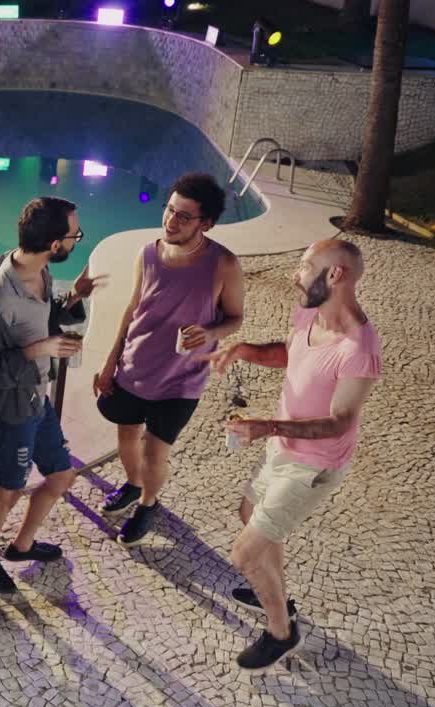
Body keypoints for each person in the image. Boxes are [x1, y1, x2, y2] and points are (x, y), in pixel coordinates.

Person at [199, 238, 380, 673]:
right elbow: (292, 352)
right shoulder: (310, 310)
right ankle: (276, 592)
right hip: (282, 447)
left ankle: (282, 633)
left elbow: (340, 421)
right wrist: (245, 350)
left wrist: (267, 427)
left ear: (335, 275)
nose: (296, 275)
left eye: (305, 266)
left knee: (245, 555)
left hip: (313, 465)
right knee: (250, 514)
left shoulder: (358, 350)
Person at [0, 197, 105, 594]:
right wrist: (37, 351)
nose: (77, 241)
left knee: (61, 475)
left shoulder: (36, 269)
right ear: (55, 244)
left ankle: (21, 546)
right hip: (11, 408)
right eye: (74, 236)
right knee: (8, 491)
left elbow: (41, 318)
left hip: (36, 399)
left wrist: (73, 298)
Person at [93, 172, 244, 547]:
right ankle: (132, 484)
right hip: (135, 366)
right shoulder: (148, 252)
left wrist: (210, 333)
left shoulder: (224, 264)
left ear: (205, 223)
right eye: (169, 211)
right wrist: (110, 360)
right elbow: (132, 309)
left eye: (183, 216)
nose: (170, 221)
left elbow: (235, 317)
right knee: (126, 436)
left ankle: (148, 503)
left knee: (155, 451)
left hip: (182, 379)